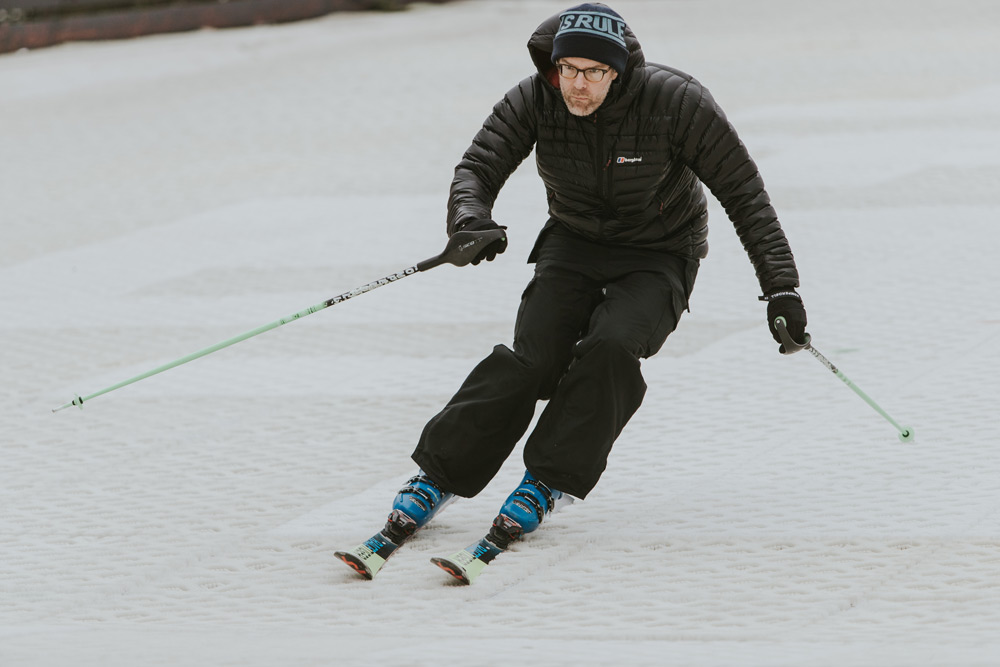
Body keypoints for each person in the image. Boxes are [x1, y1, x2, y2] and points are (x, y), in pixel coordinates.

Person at [341, 2, 808, 576]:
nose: (577, 85)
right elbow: (478, 166)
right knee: (530, 362)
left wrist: (780, 289)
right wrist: (469, 220)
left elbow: (745, 196)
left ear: (618, 73)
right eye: (568, 70)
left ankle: (548, 481)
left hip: (660, 252)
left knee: (610, 348)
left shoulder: (677, 103)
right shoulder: (535, 97)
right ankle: (438, 475)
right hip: (574, 241)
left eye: (593, 73)